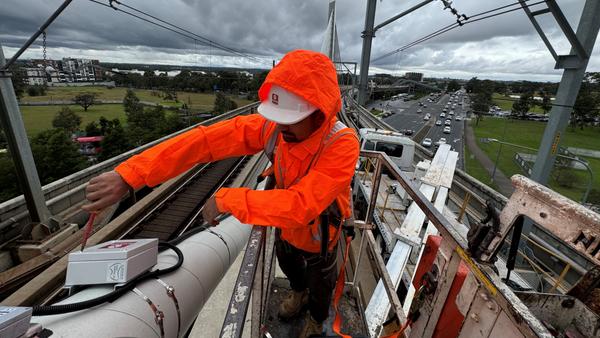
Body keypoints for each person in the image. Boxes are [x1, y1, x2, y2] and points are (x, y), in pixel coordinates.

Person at [83, 49, 359, 337]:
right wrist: (131, 175)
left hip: (322, 233)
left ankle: (315, 319)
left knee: (321, 282)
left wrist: (227, 199)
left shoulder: (341, 143)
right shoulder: (275, 129)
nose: (281, 126)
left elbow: (301, 205)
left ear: (320, 112)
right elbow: (206, 141)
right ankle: (298, 292)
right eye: (279, 117)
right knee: (288, 262)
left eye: (291, 118)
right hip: (285, 226)